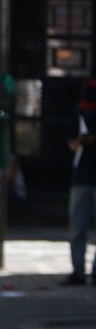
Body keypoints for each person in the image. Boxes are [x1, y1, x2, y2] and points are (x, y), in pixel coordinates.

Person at [65, 80, 96, 286]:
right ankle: (78, 271)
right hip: (82, 176)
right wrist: (79, 142)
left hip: (86, 176)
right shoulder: (78, 113)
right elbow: (70, 141)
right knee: (78, 226)